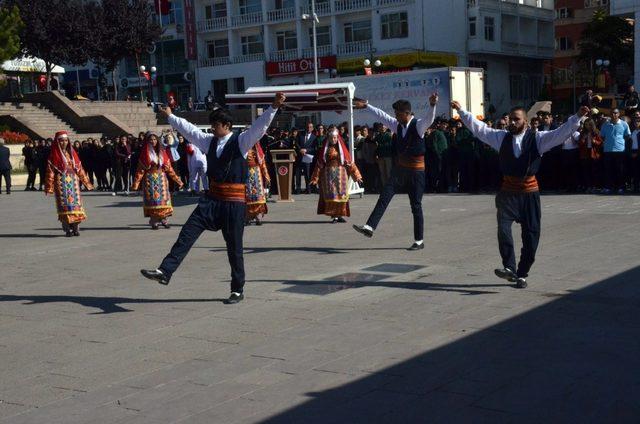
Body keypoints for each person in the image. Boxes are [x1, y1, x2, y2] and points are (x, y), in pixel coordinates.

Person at [140, 92, 286, 304]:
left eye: (215, 125)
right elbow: (189, 130)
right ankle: (165, 270)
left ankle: (237, 289)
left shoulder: (242, 141)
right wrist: (171, 116)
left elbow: (259, 127)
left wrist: (273, 107)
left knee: (234, 248)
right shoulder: (208, 141)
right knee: (187, 232)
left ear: (226, 125)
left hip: (234, 203)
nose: (212, 128)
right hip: (212, 200)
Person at [451, 100, 589, 288]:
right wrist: (461, 111)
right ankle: (509, 267)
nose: (512, 123)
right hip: (507, 194)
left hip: (529, 194)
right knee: (503, 230)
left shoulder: (538, 139)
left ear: (525, 121)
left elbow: (560, 133)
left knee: (531, 238)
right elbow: (479, 128)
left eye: (517, 120)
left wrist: (578, 117)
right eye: (511, 120)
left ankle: (522, 273)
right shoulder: (501, 138)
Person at [352, 94, 438, 250]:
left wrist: (432, 106)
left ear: (407, 113)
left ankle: (419, 241)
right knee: (385, 195)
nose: (395, 117)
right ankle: (370, 227)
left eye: (398, 114)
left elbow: (429, 119)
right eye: (395, 114)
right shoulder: (397, 125)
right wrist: (367, 106)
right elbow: (382, 115)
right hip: (400, 170)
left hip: (416, 172)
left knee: (416, 205)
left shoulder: (418, 125)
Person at [44, 131, 94, 236]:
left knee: (76, 206)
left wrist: (87, 183)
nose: (64, 143)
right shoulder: (54, 155)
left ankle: (76, 228)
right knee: (65, 207)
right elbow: (50, 172)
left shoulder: (72, 153)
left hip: (73, 183)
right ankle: (67, 229)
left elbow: (79, 169)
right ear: (57, 142)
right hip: (61, 183)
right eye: (61, 141)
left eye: (66, 140)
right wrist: (49, 187)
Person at [131, 132, 184, 229]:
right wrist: (136, 183)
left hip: (161, 179)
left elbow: (169, 169)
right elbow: (140, 170)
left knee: (164, 200)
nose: (153, 141)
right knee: (153, 201)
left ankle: (164, 219)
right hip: (150, 180)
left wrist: (178, 180)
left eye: (155, 139)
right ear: (147, 141)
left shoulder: (162, 152)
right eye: (151, 140)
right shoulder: (144, 153)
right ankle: (154, 220)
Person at [310, 128, 363, 223]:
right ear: (329, 138)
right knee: (332, 195)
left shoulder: (342, 148)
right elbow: (319, 164)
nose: (333, 140)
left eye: (335, 138)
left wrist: (357, 176)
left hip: (341, 174)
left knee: (342, 195)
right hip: (329, 174)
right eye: (331, 138)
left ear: (337, 138)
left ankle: (340, 214)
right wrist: (315, 178)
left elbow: (349, 162)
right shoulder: (325, 149)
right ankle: (334, 215)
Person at [600, 108, 631, 194]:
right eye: (612, 113)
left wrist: (620, 142)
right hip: (608, 150)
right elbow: (602, 136)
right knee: (608, 170)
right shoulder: (605, 124)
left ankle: (621, 187)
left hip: (620, 150)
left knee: (620, 170)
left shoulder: (624, 124)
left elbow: (628, 136)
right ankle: (608, 187)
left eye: (615, 113)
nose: (613, 114)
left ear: (619, 114)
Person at [245, 142, 270, 226]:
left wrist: (266, 175)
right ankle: (248, 218)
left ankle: (258, 217)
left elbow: (263, 163)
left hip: (256, 173)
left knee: (258, 197)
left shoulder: (257, 149)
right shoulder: (243, 147)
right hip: (246, 173)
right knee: (247, 197)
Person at [295, 122, 316, 194]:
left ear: (312, 128)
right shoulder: (300, 135)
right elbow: (296, 143)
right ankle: (298, 189)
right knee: (298, 173)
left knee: (307, 174)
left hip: (307, 157)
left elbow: (314, 148)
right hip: (300, 157)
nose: (309, 128)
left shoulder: (314, 137)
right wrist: (300, 149)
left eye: (310, 127)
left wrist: (306, 150)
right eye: (308, 127)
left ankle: (308, 189)